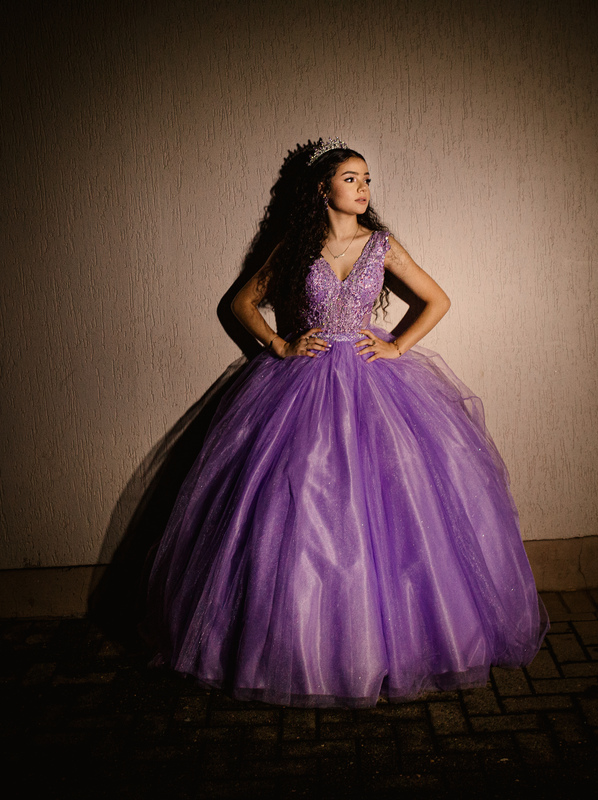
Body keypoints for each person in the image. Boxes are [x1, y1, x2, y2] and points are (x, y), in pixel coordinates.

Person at [146, 138, 547, 707]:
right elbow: (240, 304)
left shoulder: (380, 244)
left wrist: (397, 347)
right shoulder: (296, 247)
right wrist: (279, 344)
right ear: (323, 188)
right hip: (302, 384)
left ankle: (395, 647)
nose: (363, 188)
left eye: (366, 179)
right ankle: (300, 647)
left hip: (372, 383)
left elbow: (437, 300)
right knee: (300, 503)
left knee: (394, 502)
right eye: (351, 178)